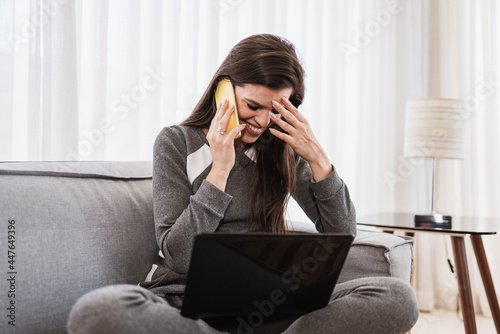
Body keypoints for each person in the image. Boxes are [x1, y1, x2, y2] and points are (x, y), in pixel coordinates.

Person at [67, 34, 419, 334]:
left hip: (272, 302)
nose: (264, 121)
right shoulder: (176, 142)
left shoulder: (281, 150)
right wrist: (220, 169)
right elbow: (179, 254)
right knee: (100, 310)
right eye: (253, 105)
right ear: (224, 89)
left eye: (277, 108)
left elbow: (342, 233)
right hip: (185, 302)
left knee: (397, 297)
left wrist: (318, 160)